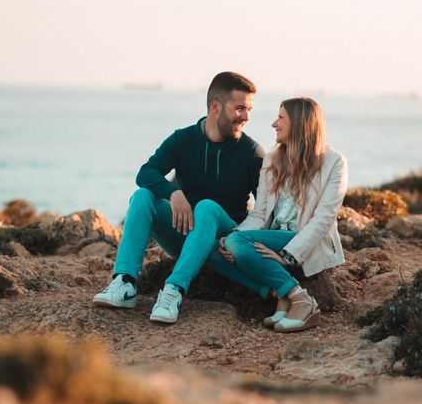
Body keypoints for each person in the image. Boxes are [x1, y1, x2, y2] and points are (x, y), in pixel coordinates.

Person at [92, 71, 265, 323]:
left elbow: (264, 208)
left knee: (206, 207)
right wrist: (173, 194)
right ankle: (125, 282)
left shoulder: (252, 153)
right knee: (142, 197)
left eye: (249, 109)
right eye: (239, 108)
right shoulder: (183, 139)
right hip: (184, 233)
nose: (246, 117)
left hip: (223, 242)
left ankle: (173, 290)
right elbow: (146, 173)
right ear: (215, 107)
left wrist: (235, 237)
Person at [216, 97, 347, 332]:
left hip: (305, 241)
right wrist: (233, 235)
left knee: (237, 242)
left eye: (280, 118)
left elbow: (323, 219)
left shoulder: (334, 162)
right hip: (274, 236)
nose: (274, 124)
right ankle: (285, 293)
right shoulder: (272, 159)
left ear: (299, 123)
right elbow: (260, 213)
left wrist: (288, 256)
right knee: (222, 246)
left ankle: (301, 299)